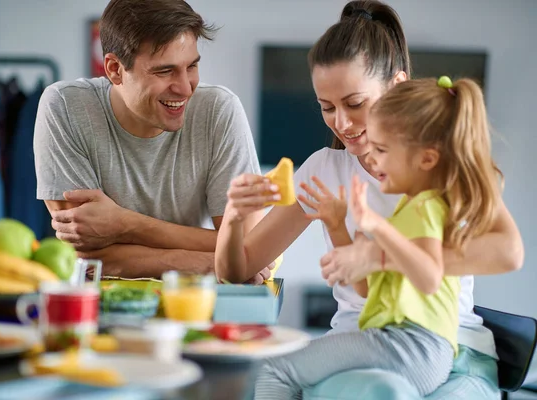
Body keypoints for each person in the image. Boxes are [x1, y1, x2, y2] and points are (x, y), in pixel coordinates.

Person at [214, 1, 524, 398]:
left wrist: (381, 257)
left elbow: (508, 252)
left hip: (453, 346)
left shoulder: (443, 163)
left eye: (355, 104)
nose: (341, 123)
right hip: (361, 344)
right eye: (327, 107)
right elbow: (238, 272)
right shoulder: (323, 170)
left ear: (396, 85)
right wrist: (237, 215)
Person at [33, 0, 269, 281]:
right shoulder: (65, 107)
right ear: (114, 69)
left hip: (192, 305)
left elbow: (253, 247)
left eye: (191, 66)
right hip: (98, 308)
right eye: (164, 71)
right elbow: (86, 257)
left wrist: (124, 224)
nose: (184, 88)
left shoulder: (219, 110)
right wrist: (201, 262)